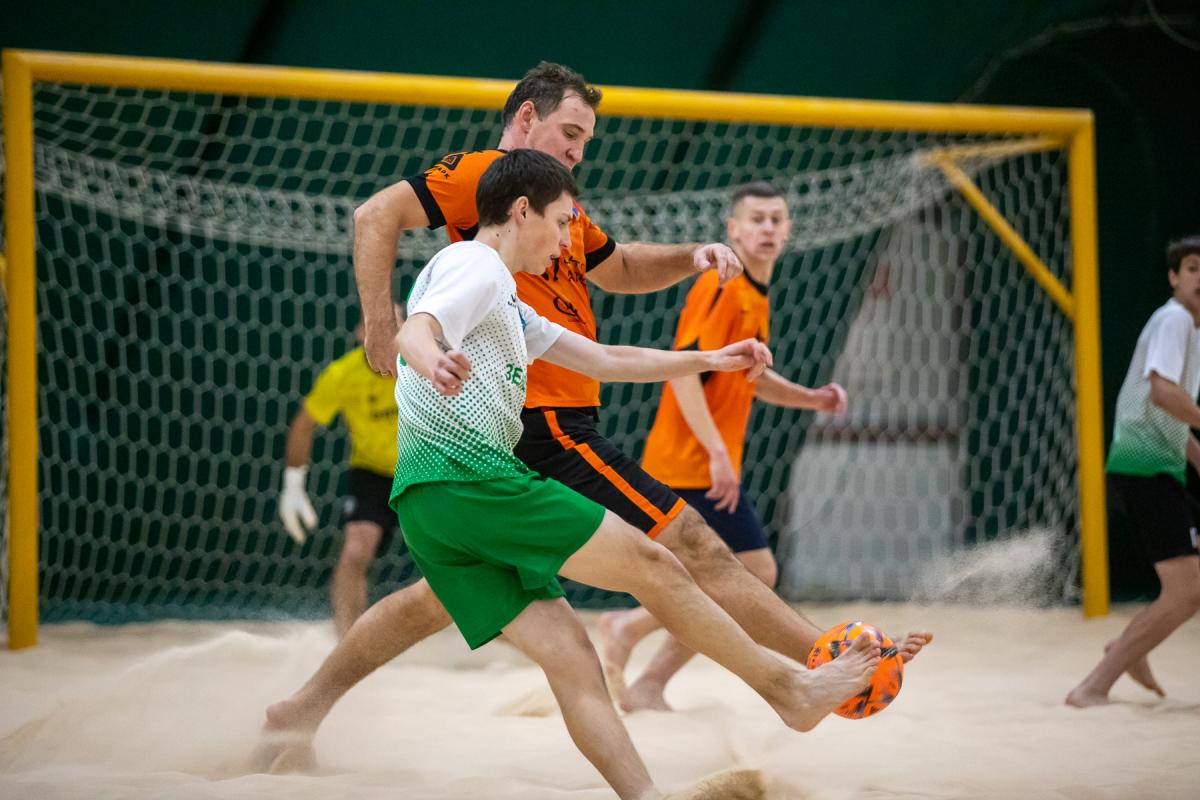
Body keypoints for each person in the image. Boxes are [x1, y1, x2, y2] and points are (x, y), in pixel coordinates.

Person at [262, 61, 930, 751]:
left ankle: (302, 708)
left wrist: (694, 257)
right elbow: (376, 214)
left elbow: (622, 271)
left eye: (586, 140)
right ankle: (824, 663)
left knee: (437, 599)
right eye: (572, 133)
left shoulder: (561, 208)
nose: (580, 151)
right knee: (692, 545)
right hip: (545, 424)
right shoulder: (488, 179)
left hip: (526, 424)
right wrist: (381, 324)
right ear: (527, 119)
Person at [600, 182, 849, 711]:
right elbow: (684, 372)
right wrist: (716, 452)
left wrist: (810, 399)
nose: (767, 228)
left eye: (776, 219)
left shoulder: (755, 293)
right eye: (756, 219)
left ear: (789, 229)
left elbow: (747, 376)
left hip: (704, 460)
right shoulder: (723, 287)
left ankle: (639, 655)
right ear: (732, 229)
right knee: (752, 574)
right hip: (686, 462)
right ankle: (637, 649)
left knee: (735, 575)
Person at [1066, 235, 1200, 708]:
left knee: (1187, 586)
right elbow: (1162, 394)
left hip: (1157, 466)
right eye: (1193, 267)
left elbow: (1166, 413)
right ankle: (1092, 686)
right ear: (1173, 277)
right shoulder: (1174, 320)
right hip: (1143, 468)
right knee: (1188, 589)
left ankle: (1128, 650)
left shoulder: (1190, 330)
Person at [277, 303, 407, 636]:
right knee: (355, 550)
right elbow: (304, 423)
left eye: (396, 325)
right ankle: (348, 638)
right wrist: (293, 485)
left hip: (425, 470)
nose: (389, 333)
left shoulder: (422, 365)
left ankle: (506, 630)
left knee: (462, 551)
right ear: (362, 332)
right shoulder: (342, 374)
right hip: (372, 473)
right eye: (380, 325)